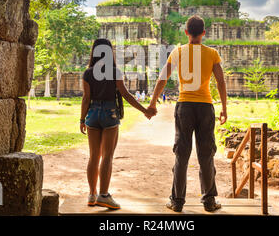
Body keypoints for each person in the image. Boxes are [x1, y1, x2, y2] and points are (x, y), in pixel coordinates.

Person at [147, 15, 228, 213]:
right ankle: (209, 201)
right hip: (205, 107)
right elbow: (220, 82)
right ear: (203, 33)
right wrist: (224, 108)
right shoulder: (212, 53)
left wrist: (152, 102)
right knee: (206, 154)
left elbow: (162, 79)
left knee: (181, 154)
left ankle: (177, 202)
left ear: (186, 32)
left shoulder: (178, 51)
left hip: (184, 106)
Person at [80, 38, 156, 210]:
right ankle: (104, 195)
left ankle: (92, 195)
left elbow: (86, 99)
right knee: (107, 156)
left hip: (92, 114)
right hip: (110, 113)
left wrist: (82, 119)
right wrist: (145, 110)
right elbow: (126, 95)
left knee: (93, 156)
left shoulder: (88, 73)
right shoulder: (115, 72)